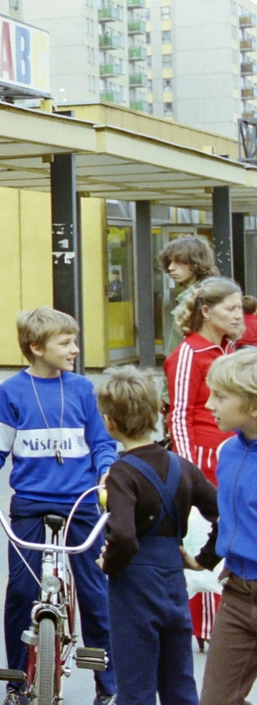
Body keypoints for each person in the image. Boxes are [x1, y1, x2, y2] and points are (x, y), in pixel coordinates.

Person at [0, 307, 117, 705]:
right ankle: (17, 682)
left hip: (81, 501)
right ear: (37, 347)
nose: (75, 348)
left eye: (75, 340)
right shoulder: (12, 392)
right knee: (21, 590)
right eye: (65, 342)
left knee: (95, 592)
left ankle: (110, 686)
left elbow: (103, 443)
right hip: (32, 502)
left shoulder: (84, 390)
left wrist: (106, 471)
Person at [94, 365, 218, 705]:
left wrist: (110, 563)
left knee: (136, 685)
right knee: (179, 682)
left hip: (134, 583)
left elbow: (122, 536)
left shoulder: (121, 473)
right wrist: (205, 558)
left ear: (110, 423)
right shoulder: (183, 467)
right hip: (173, 579)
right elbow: (223, 513)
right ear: (156, 413)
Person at [164, 275, 241, 644]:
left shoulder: (228, 351)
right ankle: (207, 629)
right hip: (203, 461)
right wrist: (188, 470)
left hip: (232, 456)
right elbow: (178, 414)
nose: (238, 314)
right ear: (207, 312)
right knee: (206, 539)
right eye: (232, 308)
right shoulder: (188, 354)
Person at [199, 348, 257, 704]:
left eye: (220, 396)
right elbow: (227, 517)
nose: (209, 405)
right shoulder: (228, 452)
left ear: (253, 404)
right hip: (236, 593)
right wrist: (202, 560)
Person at [159, 235, 217, 358]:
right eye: (169, 262)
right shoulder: (206, 290)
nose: (171, 268)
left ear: (196, 262)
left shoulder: (201, 297)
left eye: (178, 262)